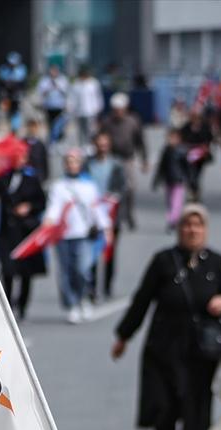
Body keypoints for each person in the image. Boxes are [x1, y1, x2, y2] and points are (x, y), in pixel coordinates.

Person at [112, 205, 221, 430]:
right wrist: (124, 336)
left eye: (198, 225)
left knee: (198, 412)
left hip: (201, 354)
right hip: (163, 349)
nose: (192, 230)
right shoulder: (163, 261)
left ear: (205, 230)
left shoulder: (217, 262)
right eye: (187, 225)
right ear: (179, 229)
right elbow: (142, 300)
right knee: (164, 410)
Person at [43, 148, 108, 324]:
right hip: (62, 235)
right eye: (69, 161)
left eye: (75, 161)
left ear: (80, 164)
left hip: (83, 234)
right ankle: (71, 305)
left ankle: (83, 298)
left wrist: (105, 227)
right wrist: (49, 220)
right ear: (65, 164)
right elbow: (54, 207)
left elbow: (97, 209)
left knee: (82, 269)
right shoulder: (58, 186)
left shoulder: (89, 187)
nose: (72, 165)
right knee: (65, 272)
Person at [0, 148, 46, 321]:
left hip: (25, 231)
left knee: (25, 272)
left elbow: (41, 202)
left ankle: (23, 305)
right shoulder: (3, 178)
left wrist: (29, 207)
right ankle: (8, 305)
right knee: (7, 270)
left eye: (21, 157)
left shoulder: (32, 180)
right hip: (7, 232)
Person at [86, 132, 128, 301]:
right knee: (93, 253)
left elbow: (123, 187)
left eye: (105, 143)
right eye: (99, 143)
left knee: (110, 252)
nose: (102, 147)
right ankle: (92, 287)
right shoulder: (88, 165)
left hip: (111, 215)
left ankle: (107, 285)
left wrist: (113, 198)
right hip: (93, 215)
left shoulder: (116, 165)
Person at [100, 91, 149, 230]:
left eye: (120, 110)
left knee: (130, 188)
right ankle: (113, 216)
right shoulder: (107, 122)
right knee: (110, 189)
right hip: (110, 159)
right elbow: (99, 138)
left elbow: (140, 141)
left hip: (127, 160)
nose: (118, 113)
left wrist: (144, 159)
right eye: (115, 110)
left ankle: (129, 214)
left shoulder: (133, 121)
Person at [152, 126, 190, 233]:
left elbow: (187, 167)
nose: (171, 140)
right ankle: (173, 219)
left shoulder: (182, 151)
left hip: (179, 180)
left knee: (176, 202)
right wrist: (156, 180)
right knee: (169, 202)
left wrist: (190, 179)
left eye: (174, 138)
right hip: (168, 180)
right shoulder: (166, 151)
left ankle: (172, 220)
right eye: (170, 138)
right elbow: (161, 166)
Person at [181, 109, 214, 203]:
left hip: (201, 156)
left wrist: (205, 146)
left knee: (197, 175)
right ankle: (192, 191)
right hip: (189, 154)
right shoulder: (186, 127)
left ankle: (195, 192)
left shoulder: (204, 127)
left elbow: (210, 138)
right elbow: (181, 138)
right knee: (191, 174)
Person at [70, 67, 104, 147]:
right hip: (80, 112)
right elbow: (73, 98)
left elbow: (98, 97)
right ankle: (82, 147)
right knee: (81, 131)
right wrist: (72, 110)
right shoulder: (76, 84)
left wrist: (99, 109)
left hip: (91, 111)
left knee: (91, 131)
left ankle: (91, 146)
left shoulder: (94, 83)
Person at [37, 64, 70, 143]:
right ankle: (52, 141)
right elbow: (41, 93)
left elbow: (67, 92)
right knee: (51, 126)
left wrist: (57, 86)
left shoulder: (63, 80)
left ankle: (56, 139)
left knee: (58, 125)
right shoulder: (45, 81)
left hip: (60, 107)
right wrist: (49, 87)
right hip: (49, 107)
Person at [0, 52, 28, 135]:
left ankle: (15, 128)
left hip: (17, 94)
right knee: (6, 112)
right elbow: (2, 82)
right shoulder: (4, 69)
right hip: (7, 95)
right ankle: (7, 128)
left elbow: (22, 83)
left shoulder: (22, 69)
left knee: (16, 111)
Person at [21, 117, 49, 183]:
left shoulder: (41, 145)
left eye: (34, 127)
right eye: (30, 126)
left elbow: (44, 162)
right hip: (25, 176)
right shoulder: (22, 143)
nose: (32, 129)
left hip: (38, 176)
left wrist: (44, 177)